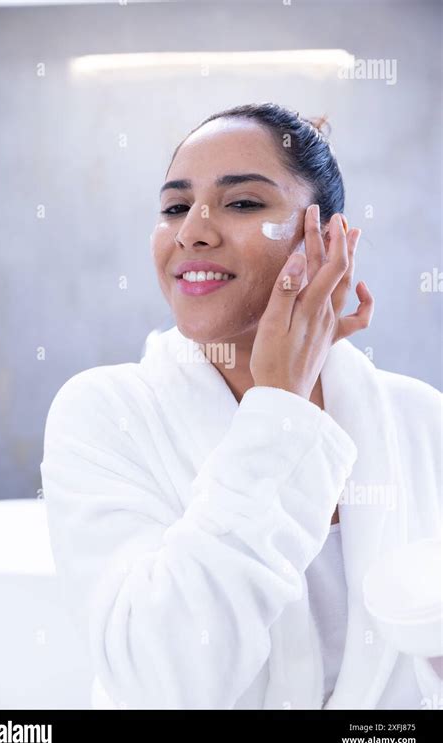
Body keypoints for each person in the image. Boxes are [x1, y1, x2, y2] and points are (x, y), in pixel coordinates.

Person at [40, 103, 442, 710]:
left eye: (243, 203)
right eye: (175, 207)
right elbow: (162, 682)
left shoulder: (421, 421)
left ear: (326, 240)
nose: (191, 231)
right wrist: (280, 408)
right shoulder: (103, 414)